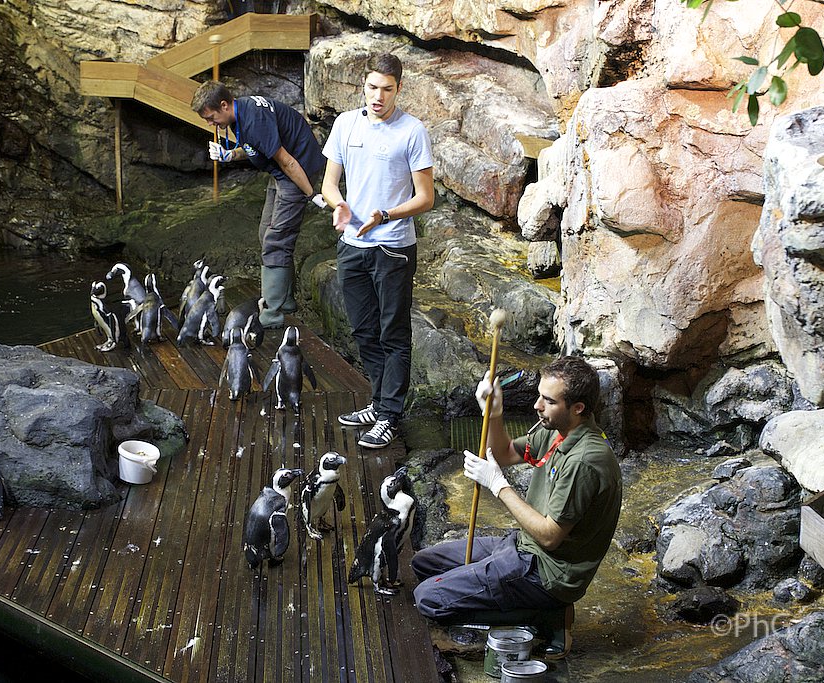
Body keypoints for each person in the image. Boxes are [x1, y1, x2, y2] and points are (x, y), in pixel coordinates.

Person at [411, 356, 622, 658]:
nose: (537, 405)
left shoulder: (585, 461)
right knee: (424, 563)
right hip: (524, 544)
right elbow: (505, 452)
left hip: (548, 572)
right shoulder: (557, 430)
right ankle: (525, 601)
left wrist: (498, 485)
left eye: (549, 401)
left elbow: (550, 536)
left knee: (428, 599)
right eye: (540, 395)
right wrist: (494, 413)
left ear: (578, 408)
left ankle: (546, 615)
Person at [320, 53, 434, 449]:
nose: (378, 96)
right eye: (372, 87)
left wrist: (386, 214)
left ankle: (389, 415)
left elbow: (425, 198)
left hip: (393, 247)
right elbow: (329, 183)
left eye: (387, 89)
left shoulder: (412, 131)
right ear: (363, 86)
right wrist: (339, 205)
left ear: (399, 89)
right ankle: (379, 402)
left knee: (393, 333)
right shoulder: (345, 124)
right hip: (352, 244)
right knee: (363, 329)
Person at [191, 81, 326, 328]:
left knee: (276, 240)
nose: (210, 124)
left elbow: (287, 162)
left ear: (224, 105)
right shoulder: (239, 114)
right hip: (280, 172)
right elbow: (255, 146)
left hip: (298, 169)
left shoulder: (254, 120)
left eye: (211, 118)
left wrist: (310, 194)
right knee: (267, 232)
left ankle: (272, 313)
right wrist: (230, 154)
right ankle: (285, 299)